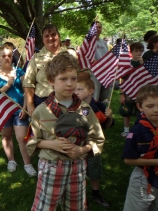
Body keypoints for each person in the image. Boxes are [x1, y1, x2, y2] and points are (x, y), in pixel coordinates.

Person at [26, 51, 105, 211]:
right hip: (51, 167)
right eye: (63, 79)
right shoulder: (41, 111)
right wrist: (51, 144)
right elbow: (31, 140)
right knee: (44, 207)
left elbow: (97, 139)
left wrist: (83, 149)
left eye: (73, 78)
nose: (70, 84)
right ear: (51, 81)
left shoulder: (85, 109)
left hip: (78, 168)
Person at [0, 44, 36, 177]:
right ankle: (11, 160)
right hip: (3, 110)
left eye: (9, 56)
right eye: (3, 56)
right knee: (6, 135)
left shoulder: (19, 71)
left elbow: (27, 90)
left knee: (22, 138)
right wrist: (9, 84)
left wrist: (26, 108)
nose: (7, 58)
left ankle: (28, 164)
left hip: (19, 109)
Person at [75, 73, 113, 208]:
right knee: (77, 171)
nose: (76, 92)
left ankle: (95, 193)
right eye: (75, 89)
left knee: (94, 169)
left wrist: (110, 118)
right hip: (77, 144)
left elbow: (105, 127)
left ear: (91, 91)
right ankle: (79, 195)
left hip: (93, 144)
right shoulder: (73, 106)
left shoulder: (99, 106)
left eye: (79, 89)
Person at [121, 85, 158, 211]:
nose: (156, 110)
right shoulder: (136, 131)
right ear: (140, 106)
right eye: (150, 106)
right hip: (143, 178)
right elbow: (128, 160)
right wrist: (156, 162)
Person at [23, 24, 76, 115]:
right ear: (43, 40)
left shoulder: (71, 54)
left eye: (53, 34)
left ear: (59, 36)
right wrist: (30, 105)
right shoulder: (35, 58)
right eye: (46, 36)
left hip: (67, 100)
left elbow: (81, 76)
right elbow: (28, 83)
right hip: (43, 101)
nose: (50, 38)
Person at [120, 42, 144, 137]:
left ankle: (137, 130)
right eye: (136, 51)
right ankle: (126, 130)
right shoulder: (128, 63)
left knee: (140, 112)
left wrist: (142, 63)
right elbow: (122, 78)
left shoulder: (144, 63)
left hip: (140, 91)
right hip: (129, 90)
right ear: (132, 51)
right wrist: (122, 94)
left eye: (141, 51)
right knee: (127, 111)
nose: (139, 53)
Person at [92, 21, 110, 102]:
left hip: (105, 71)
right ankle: (95, 111)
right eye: (96, 27)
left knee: (105, 93)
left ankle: (103, 110)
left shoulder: (103, 43)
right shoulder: (88, 42)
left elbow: (107, 56)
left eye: (100, 27)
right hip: (94, 72)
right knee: (95, 94)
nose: (98, 29)